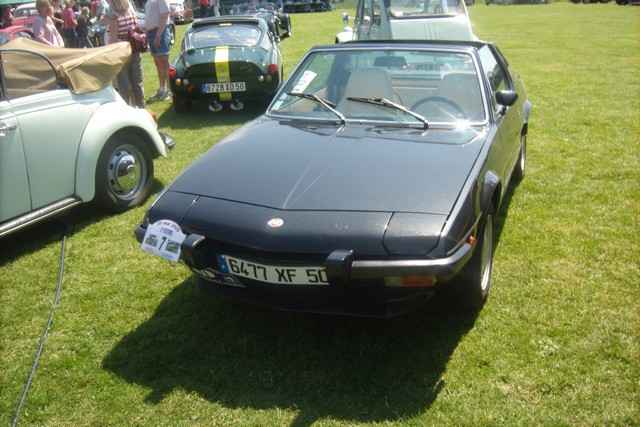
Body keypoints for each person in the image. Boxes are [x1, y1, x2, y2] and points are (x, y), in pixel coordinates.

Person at [108, 0, 146, 107]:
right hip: (135, 49)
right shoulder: (131, 13)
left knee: (123, 84)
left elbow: (114, 39)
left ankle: (126, 107)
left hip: (122, 52)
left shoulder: (114, 18)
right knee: (137, 81)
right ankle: (141, 105)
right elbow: (137, 29)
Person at [144, 0, 172, 101]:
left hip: (160, 31)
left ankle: (169, 90)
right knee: (158, 63)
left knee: (164, 62)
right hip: (152, 32)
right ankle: (161, 88)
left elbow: (164, 14)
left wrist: (158, 35)